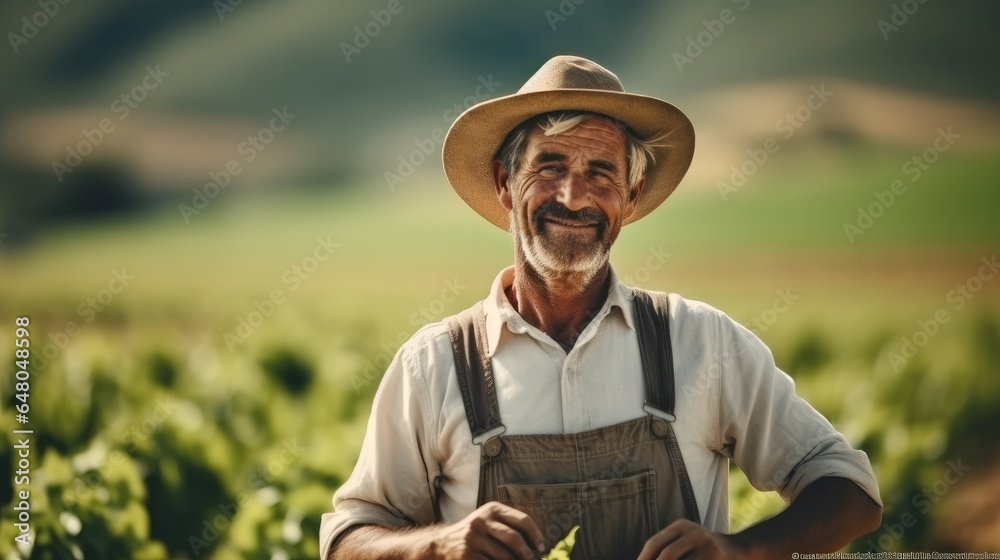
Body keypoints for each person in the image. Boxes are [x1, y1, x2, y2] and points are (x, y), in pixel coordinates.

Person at [320, 55, 882, 560]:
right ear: (504, 181)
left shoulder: (701, 341)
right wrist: (435, 547)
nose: (573, 196)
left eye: (601, 172)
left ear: (631, 197)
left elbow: (850, 492)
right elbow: (348, 537)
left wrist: (743, 551)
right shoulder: (434, 364)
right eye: (550, 166)